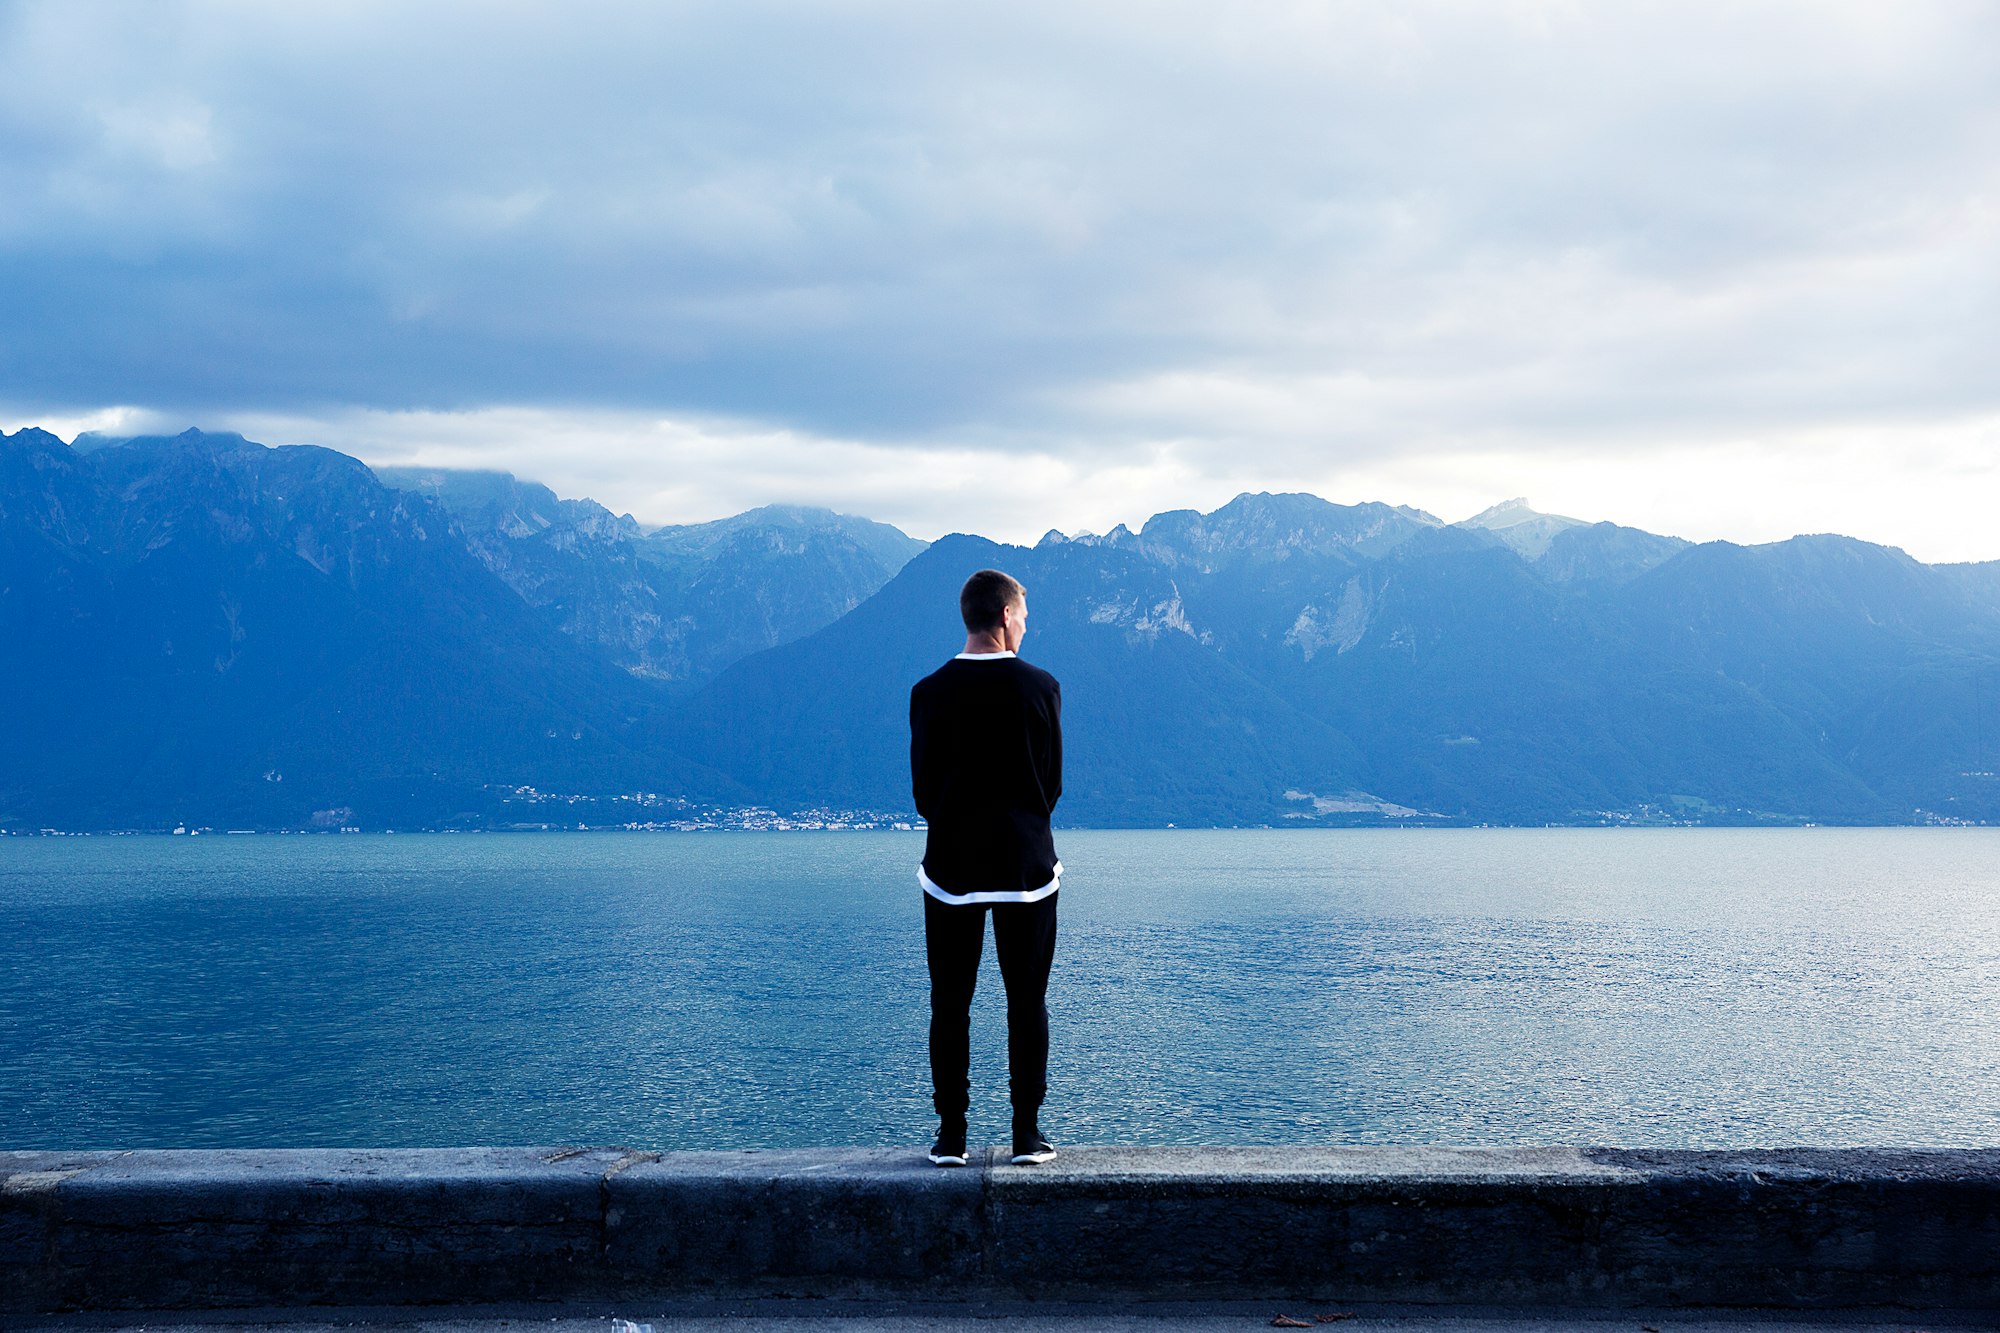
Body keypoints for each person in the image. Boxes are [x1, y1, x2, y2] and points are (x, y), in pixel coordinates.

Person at [909, 568, 1063, 1167]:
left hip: (950, 868)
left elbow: (923, 791)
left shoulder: (929, 692)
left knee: (950, 1002)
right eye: (1022, 614)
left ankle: (951, 1136)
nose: (1026, 624)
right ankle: (1027, 1133)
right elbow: (1051, 785)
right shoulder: (1041, 687)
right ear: (1003, 616)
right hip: (1027, 870)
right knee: (1027, 1001)